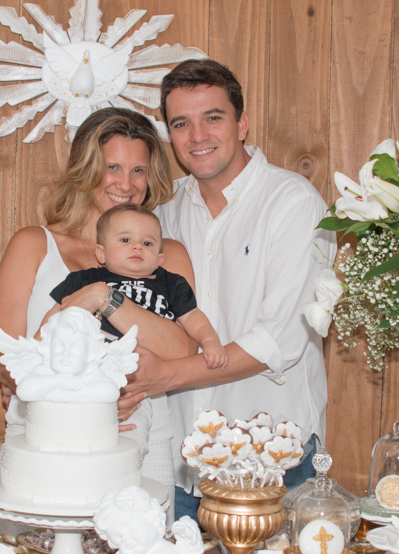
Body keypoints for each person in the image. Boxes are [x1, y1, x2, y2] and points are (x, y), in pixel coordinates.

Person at [122, 59, 336, 520]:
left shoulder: (294, 203)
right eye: (181, 123)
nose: (197, 136)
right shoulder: (162, 214)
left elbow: (280, 340)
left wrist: (167, 375)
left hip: (271, 460)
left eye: (212, 118)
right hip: (179, 467)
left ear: (242, 123)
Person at [0, 108, 199, 494]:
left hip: (141, 429)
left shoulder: (165, 254)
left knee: (138, 547)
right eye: (113, 167)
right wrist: (87, 394)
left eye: (139, 170)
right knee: (32, 549)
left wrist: (105, 298)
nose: (127, 183)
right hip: (45, 435)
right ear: (85, 170)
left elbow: (184, 348)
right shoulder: (35, 245)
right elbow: (3, 361)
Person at [42, 203, 226, 371]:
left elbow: (193, 317)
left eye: (147, 243)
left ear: (158, 260)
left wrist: (210, 341)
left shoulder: (172, 284)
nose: (137, 246)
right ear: (102, 253)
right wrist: (36, 351)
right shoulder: (84, 279)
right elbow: (57, 313)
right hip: (88, 365)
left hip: (141, 374)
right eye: (125, 240)